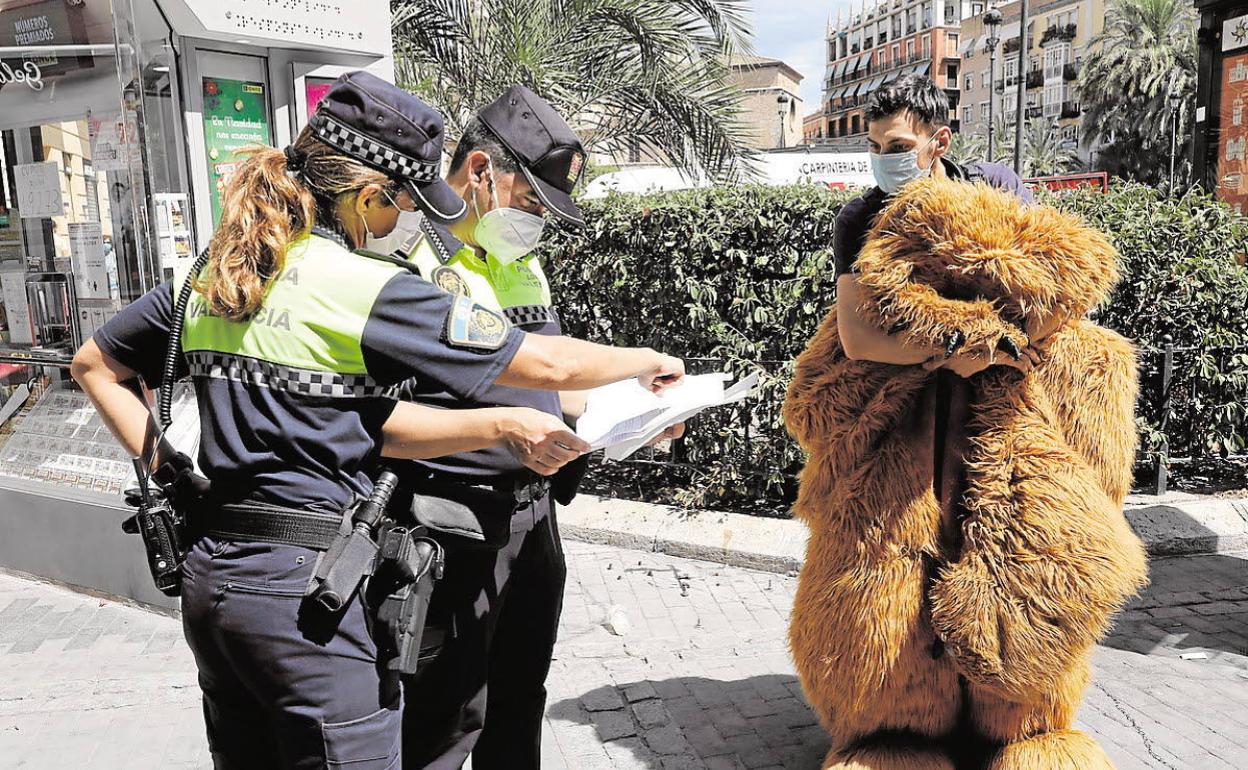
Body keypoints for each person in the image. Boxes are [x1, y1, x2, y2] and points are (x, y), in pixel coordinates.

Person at [70, 71, 684, 770]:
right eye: (402, 204)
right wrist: (645, 359)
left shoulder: (220, 270)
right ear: (367, 197)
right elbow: (540, 365)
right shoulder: (361, 285)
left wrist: (169, 469)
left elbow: (93, 364)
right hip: (308, 591)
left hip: (213, 582)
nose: (406, 221)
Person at [385, 85, 682, 770]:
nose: (536, 223)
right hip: (448, 528)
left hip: (530, 524)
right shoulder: (410, 262)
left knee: (518, 710)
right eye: (531, 203)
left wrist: (640, 416)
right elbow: (383, 415)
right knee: (441, 721)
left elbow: (553, 388)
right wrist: (634, 364)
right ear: (482, 170)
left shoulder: (520, 263)